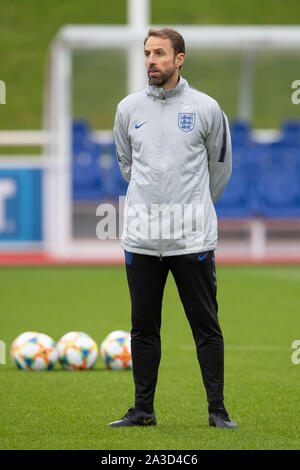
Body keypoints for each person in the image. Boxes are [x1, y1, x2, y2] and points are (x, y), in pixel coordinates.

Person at [108, 28, 238, 429]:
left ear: (179, 59)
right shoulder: (128, 109)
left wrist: (192, 209)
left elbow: (220, 168)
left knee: (206, 327)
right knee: (143, 328)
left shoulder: (206, 108)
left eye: (160, 53)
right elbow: (127, 165)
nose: (151, 61)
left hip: (191, 239)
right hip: (142, 239)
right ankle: (143, 411)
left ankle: (217, 412)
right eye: (147, 53)